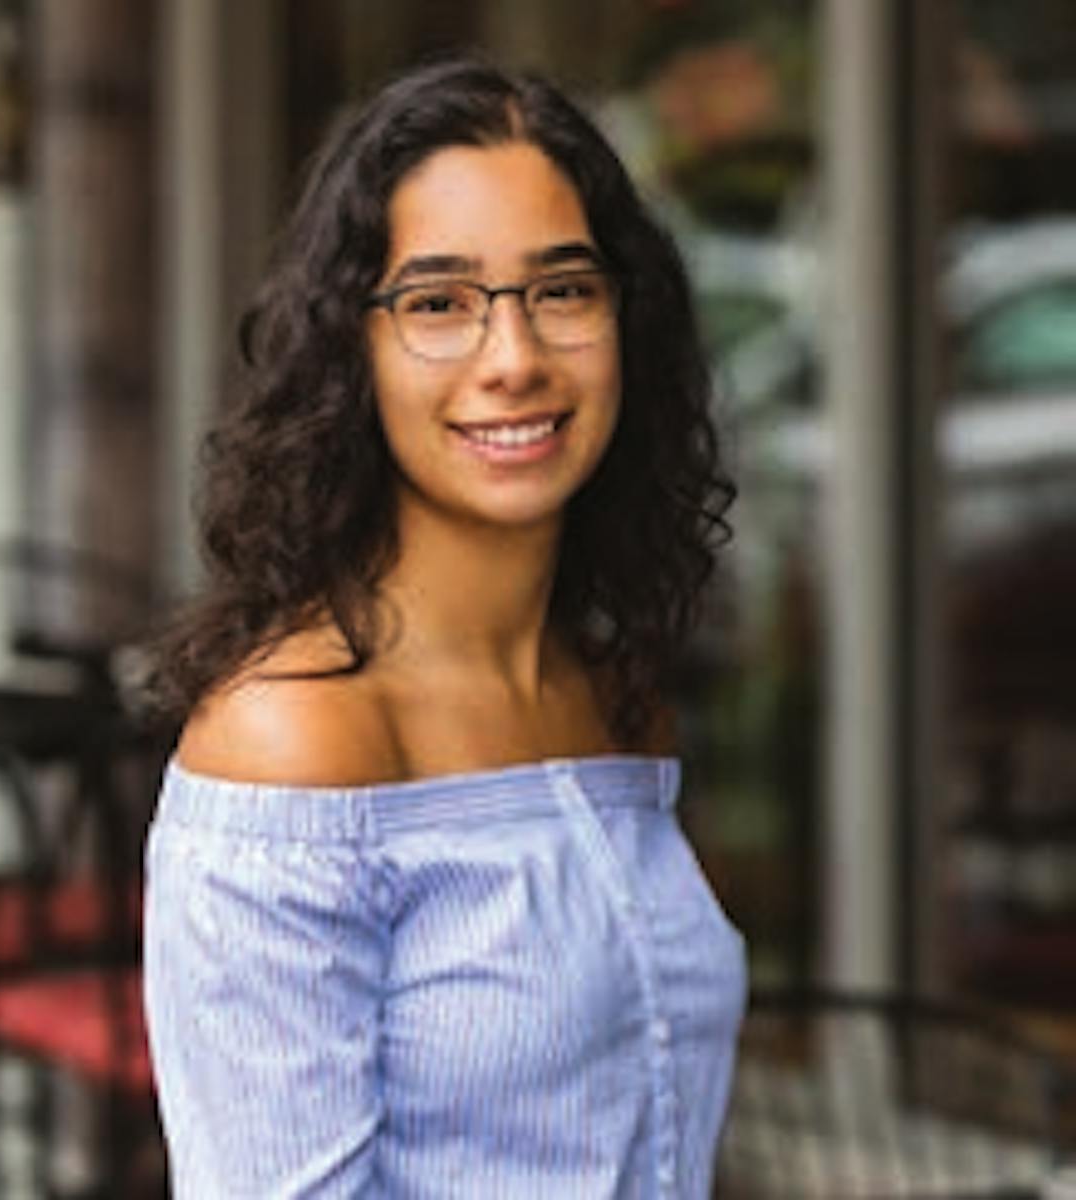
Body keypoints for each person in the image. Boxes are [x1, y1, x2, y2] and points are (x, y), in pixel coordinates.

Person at [142, 56, 746, 1199]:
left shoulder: (613, 695)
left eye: (563, 289)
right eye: (438, 303)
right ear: (349, 355)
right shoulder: (297, 743)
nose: (513, 359)